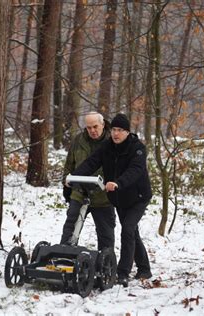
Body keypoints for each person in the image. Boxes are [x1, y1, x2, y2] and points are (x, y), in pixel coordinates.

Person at [70, 113, 152, 287]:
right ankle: (144, 268)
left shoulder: (137, 148)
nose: (115, 133)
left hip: (138, 197)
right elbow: (91, 163)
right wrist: (74, 177)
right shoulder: (107, 146)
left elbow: (135, 170)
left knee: (128, 230)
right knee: (132, 233)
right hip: (120, 198)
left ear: (127, 132)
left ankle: (122, 273)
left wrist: (118, 182)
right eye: (114, 129)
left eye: (120, 130)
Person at [60, 112, 116, 251]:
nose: (92, 130)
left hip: (103, 195)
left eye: (95, 126)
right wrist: (66, 179)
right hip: (79, 191)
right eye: (89, 127)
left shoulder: (112, 141)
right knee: (70, 227)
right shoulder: (79, 140)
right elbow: (69, 164)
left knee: (105, 233)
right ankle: (64, 255)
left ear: (102, 125)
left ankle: (105, 265)